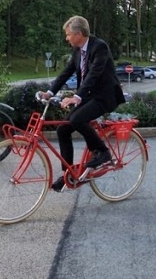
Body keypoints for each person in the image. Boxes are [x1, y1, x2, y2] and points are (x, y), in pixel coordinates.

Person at [37, 15, 125, 192]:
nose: (67, 38)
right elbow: (66, 72)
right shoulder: (77, 51)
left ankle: (103, 152)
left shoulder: (99, 47)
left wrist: (77, 97)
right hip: (89, 96)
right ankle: (68, 174)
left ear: (78, 34)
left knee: (77, 119)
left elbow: (93, 74)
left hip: (104, 96)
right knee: (63, 128)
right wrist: (50, 92)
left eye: (68, 34)